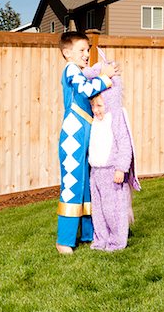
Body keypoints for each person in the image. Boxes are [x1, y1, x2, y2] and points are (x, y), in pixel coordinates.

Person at [56, 32, 118, 255]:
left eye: (87, 49)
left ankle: (89, 234)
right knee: (73, 185)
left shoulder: (79, 71)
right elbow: (84, 90)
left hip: (84, 134)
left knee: (86, 187)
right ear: (67, 53)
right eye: (81, 50)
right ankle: (64, 239)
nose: (86, 54)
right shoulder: (71, 69)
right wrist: (105, 76)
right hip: (73, 137)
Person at [85, 55, 141, 252]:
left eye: (99, 105)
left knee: (113, 209)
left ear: (108, 102)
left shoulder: (115, 118)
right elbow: (85, 74)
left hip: (112, 172)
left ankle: (117, 241)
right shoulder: (96, 122)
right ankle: (101, 239)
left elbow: (125, 144)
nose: (96, 110)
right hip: (96, 173)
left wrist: (121, 168)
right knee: (98, 211)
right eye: (93, 106)